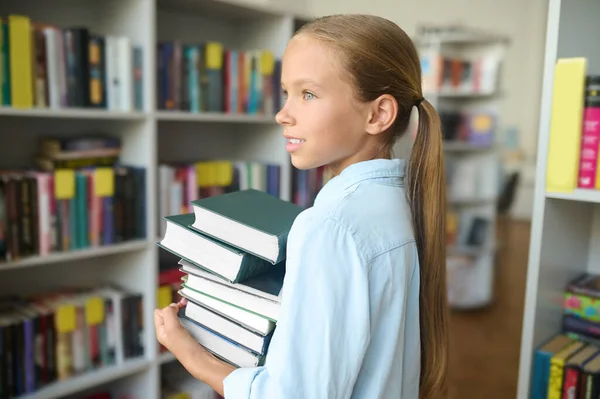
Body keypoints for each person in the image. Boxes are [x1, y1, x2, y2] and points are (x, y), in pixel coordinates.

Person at [154, 14, 449, 399]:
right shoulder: (399, 201)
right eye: (286, 93)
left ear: (378, 114)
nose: (283, 114)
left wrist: (190, 353)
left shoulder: (331, 225)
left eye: (308, 94)